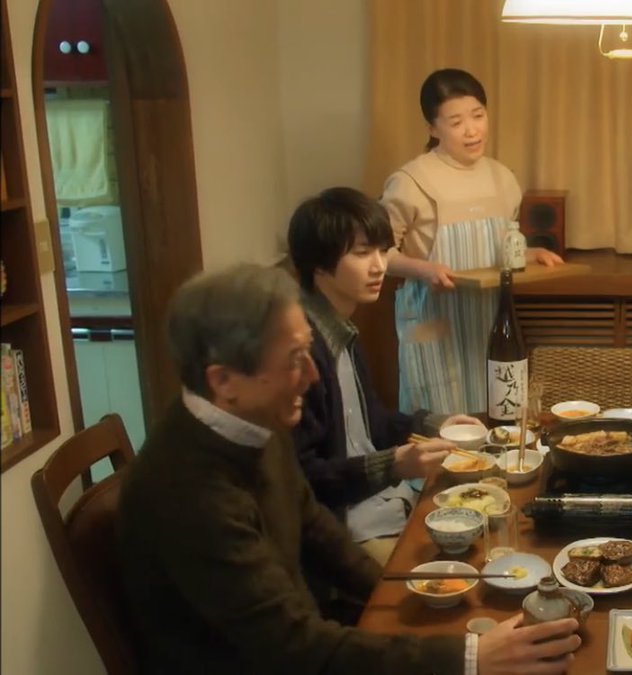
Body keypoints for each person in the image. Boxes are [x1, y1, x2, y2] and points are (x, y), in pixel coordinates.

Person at [117, 264, 581, 674]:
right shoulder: (190, 495)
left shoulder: (251, 421)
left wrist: (409, 592)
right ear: (224, 381)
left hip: (302, 640)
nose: (312, 376)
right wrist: (469, 659)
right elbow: (295, 648)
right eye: (295, 359)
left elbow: (317, 529)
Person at [287, 186, 486, 565]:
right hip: (350, 532)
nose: (379, 266)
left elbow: (373, 424)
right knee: (468, 566)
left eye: (382, 251)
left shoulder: (341, 330)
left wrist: (436, 424)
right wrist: (394, 464)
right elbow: (305, 477)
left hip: (386, 506)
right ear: (319, 263)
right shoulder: (303, 349)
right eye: (363, 253)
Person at [381, 68, 562, 415]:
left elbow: (499, 248)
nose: (472, 130)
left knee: (498, 421)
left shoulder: (502, 178)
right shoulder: (410, 181)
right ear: (433, 129)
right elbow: (379, 255)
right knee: (442, 430)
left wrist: (531, 253)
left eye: (478, 116)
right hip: (435, 324)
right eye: (456, 121)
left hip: (489, 324)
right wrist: (423, 269)